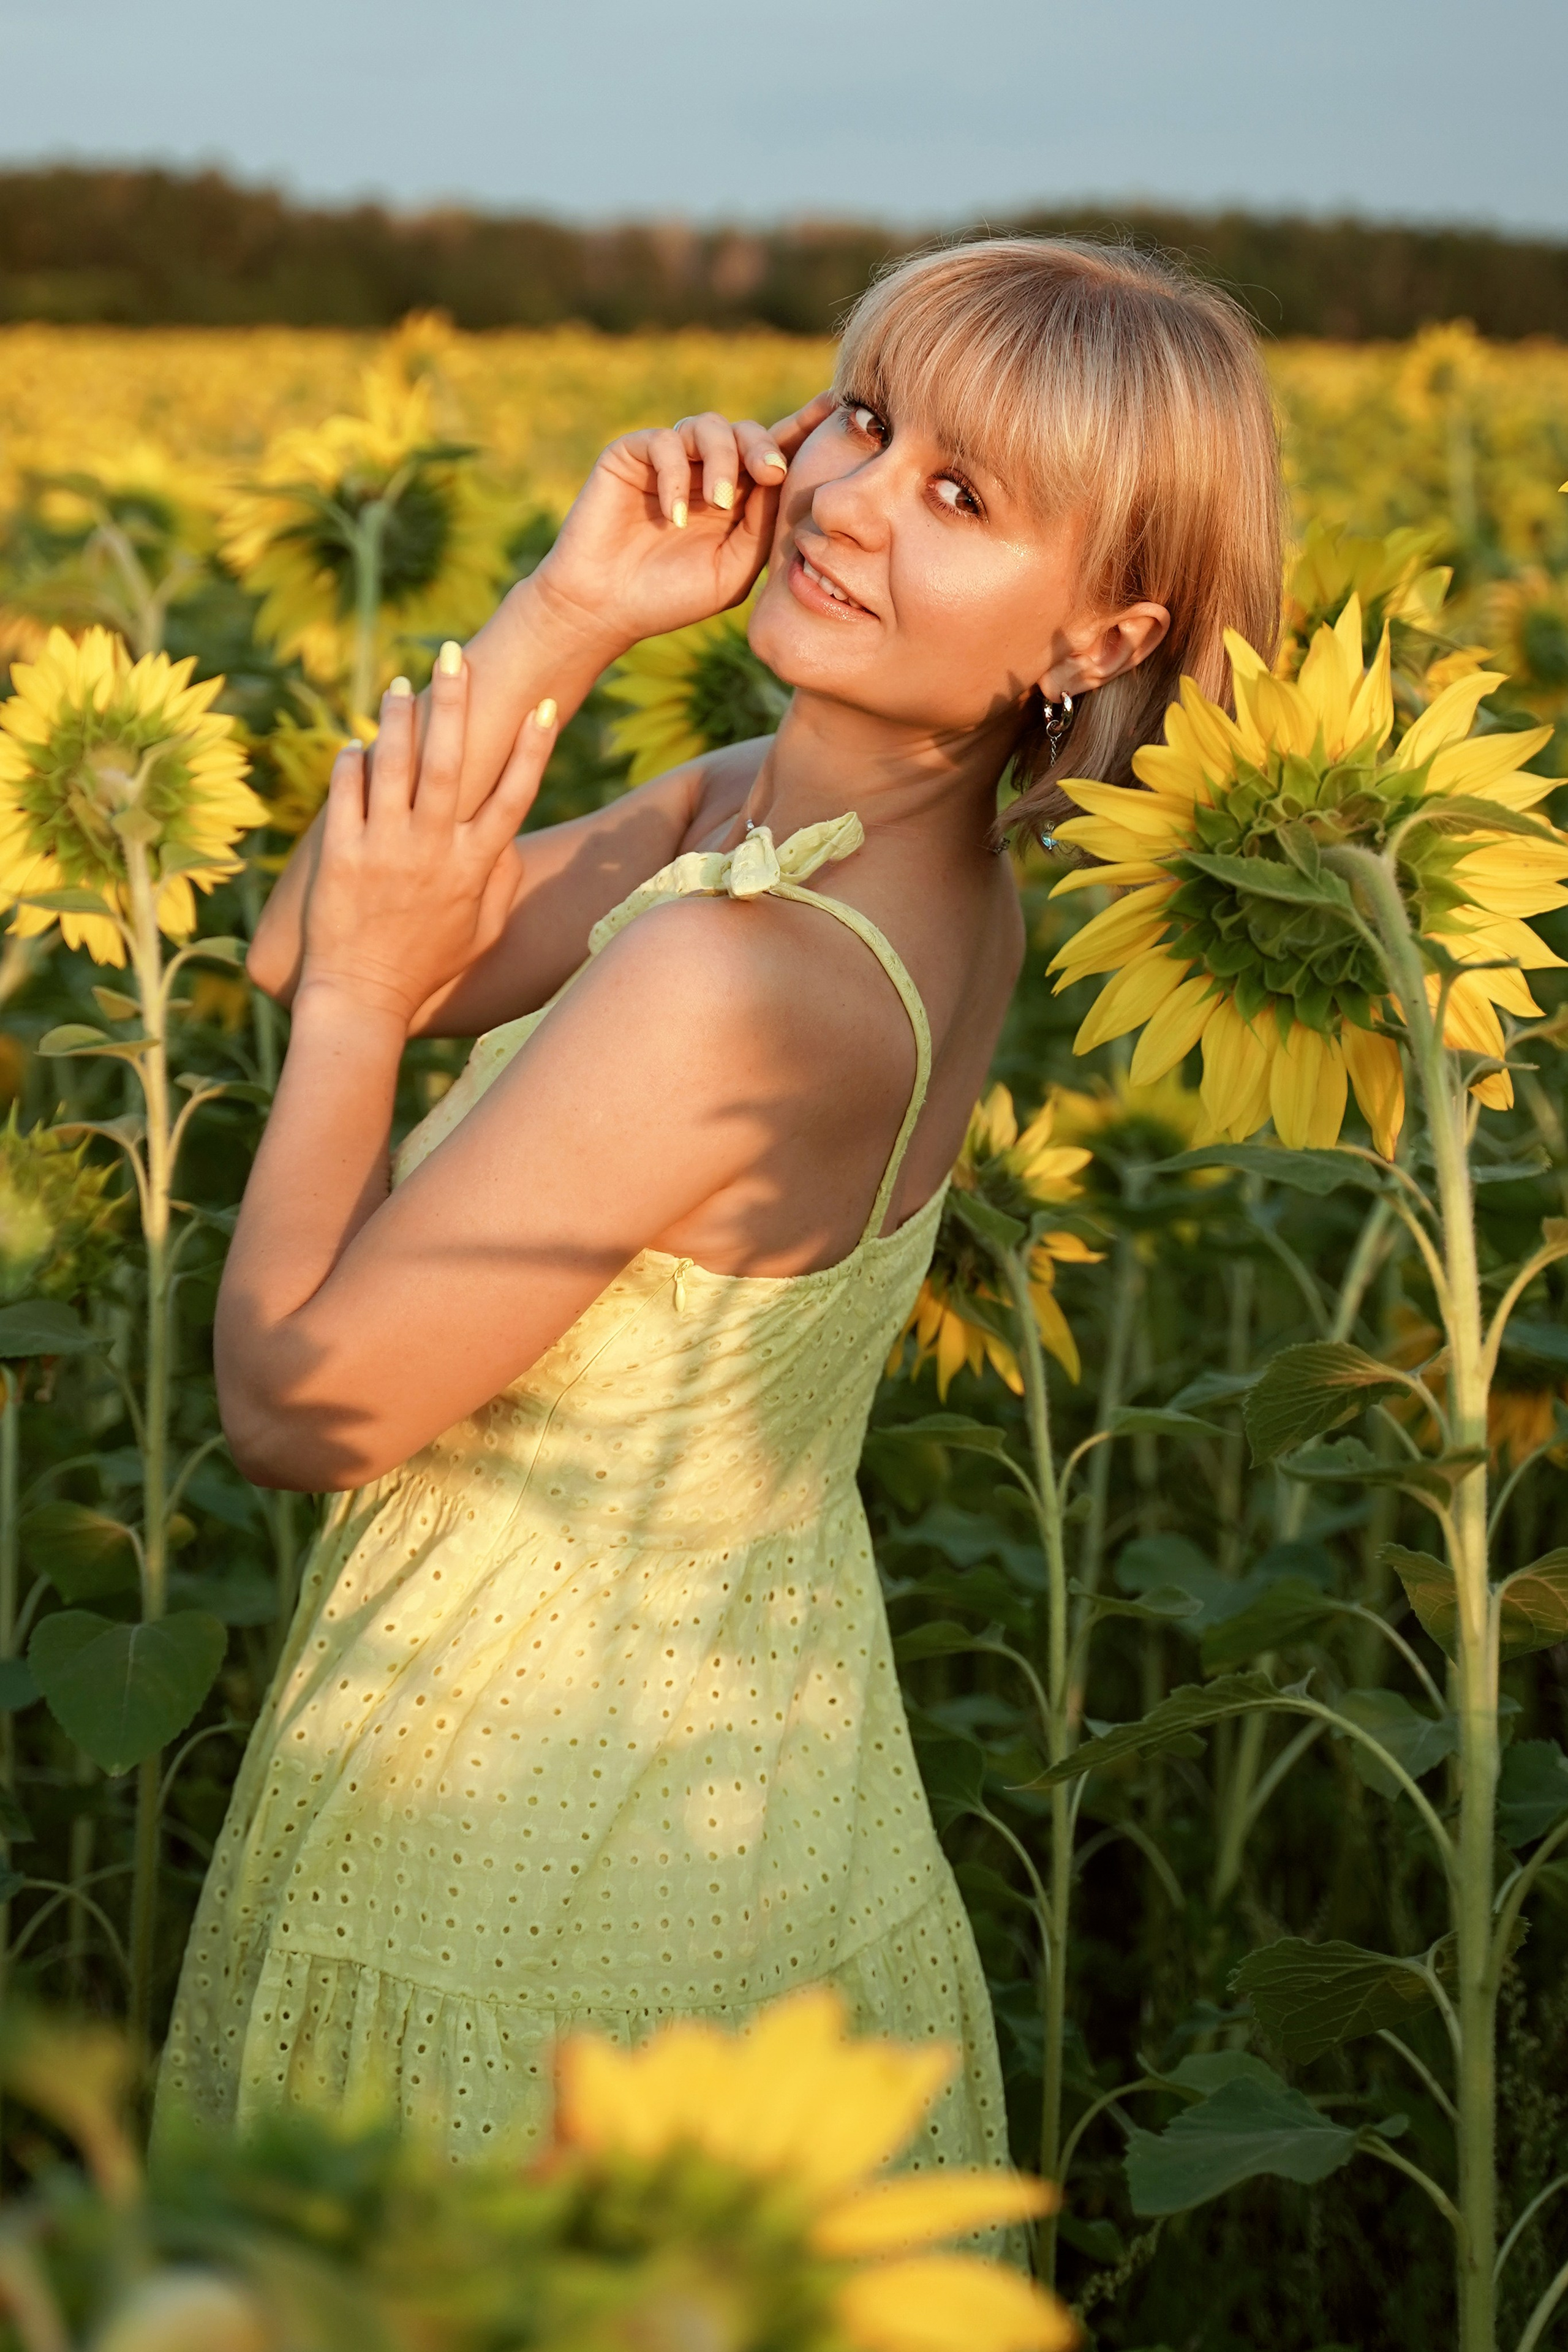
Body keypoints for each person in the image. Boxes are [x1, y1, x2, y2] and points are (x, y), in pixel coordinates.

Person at [156, 238, 1283, 2169]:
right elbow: (289, 938)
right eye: (863, 415)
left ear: (1099, 639)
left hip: (533, 1838)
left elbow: (299, 1410)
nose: (841, 499)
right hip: (750, 1775)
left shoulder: (743, 979)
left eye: (960, 494)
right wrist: (569, 605)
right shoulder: (779, 821)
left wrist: (368, 1004)